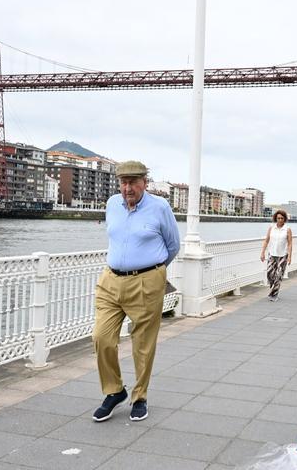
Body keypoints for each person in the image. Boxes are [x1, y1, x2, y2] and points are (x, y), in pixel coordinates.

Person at [91, 160, 180, 423]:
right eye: (123, 182)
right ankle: (114, 390)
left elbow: (173, 245)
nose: (127, 188)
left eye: (133, 182)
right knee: (101, 337)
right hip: (110, 280)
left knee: (142, 344)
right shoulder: (112, 205)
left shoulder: (160, 207)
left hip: (146, 281)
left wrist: (152, 272)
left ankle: (139, 397)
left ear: (145, 182)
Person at [260, 210, 292, 302]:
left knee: (279, 275)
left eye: (282, 218)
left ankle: (274, 295)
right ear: (275, 218)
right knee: (269, 274)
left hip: (283, 255)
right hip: (272, 254)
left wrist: (289, 256)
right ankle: (273, 286)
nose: (280, 220)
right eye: (278, 218)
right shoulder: (271, 228)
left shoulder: (287, 229)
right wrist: (262, 252)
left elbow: (290, 243)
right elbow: (266, 240)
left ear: (284, 219)